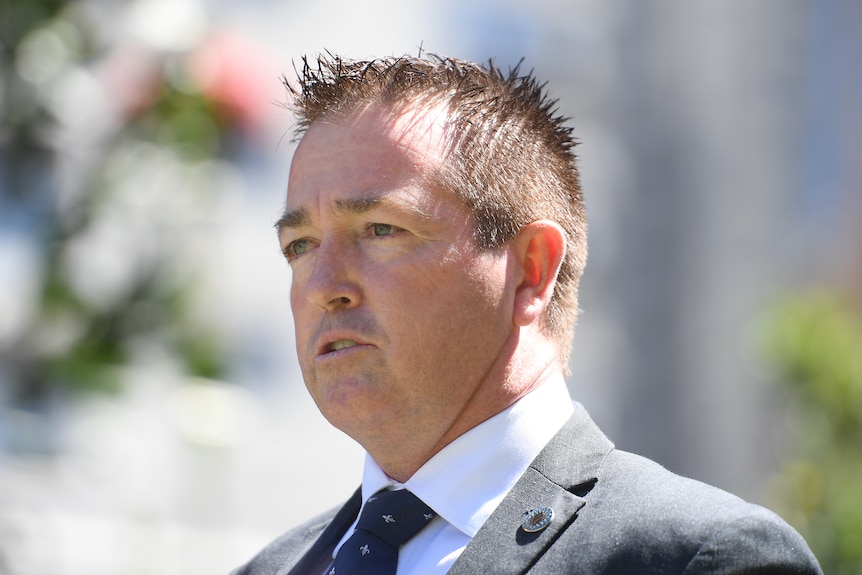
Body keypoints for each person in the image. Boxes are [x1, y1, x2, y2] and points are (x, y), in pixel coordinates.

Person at [232, 53, 822, 575]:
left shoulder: (695, 559)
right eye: (300, 246)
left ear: (531, 270)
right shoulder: (272, 568)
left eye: (380, 229)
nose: (323, 286)